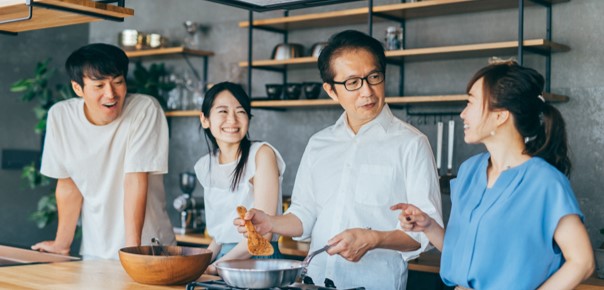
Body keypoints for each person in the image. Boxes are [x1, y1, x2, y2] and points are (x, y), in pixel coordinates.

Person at [235, 30, 443, 290]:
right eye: (353, 82)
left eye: (374, 77)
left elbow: (425, 234)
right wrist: (270, 222)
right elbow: (304, 214)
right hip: (315, 282)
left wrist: (373, 239)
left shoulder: (412, 143)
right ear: (331, 90)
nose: (367, 91)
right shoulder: (319, 143)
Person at [392, 61, 595, 289]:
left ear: (500, 116)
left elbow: (582, 261)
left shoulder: (545, 182)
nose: (463, 114)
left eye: (470, 103)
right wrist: (428, 226)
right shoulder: (470, 171)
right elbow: (462, 253)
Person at [31, 43, 175, 260]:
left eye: (118, 82)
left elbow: (135, 180)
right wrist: (62, 244)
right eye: (99, 86)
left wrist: (132, 251)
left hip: (147, 250)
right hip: (95, 250)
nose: (111, 94)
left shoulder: (144, 109)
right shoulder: (60, 116)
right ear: (78, 88)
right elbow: (69, 184)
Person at [194, 82, 285, 275]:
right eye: (223, 111)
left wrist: (214, 267)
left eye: (240, 111)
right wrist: (201, 264)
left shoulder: (261, 154)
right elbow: (221, 235)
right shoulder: (205, 165)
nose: (232, 119)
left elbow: (264, 233)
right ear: (205, 119)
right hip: (223, 260)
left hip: (258, 261)